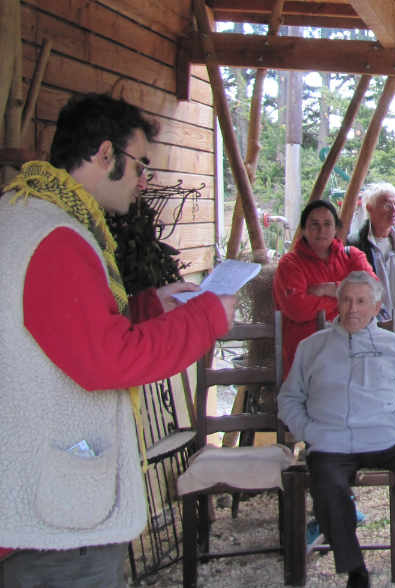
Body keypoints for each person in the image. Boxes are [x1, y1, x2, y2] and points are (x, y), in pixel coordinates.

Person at [0, 93, 236, 585]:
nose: (144, 180)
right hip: (56, 527)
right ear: (105, 154)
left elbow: (62, 332)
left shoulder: (24, 215)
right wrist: (208, 316)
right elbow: (106, 360)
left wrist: (147, 308)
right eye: (139, 164)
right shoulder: (57, 237)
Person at [278, 271, 395, 588]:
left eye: (361, 301)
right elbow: (289, 399)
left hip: (388, 437)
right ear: (337, 303)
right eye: (347, 300)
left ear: (376, 306)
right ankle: (355, 570)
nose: (353, 308)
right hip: (331, 440)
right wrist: (309, 431)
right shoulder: (312, 348)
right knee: (326, 485)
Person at [274, 198, 374, 377]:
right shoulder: (290, 264)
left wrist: (331, 289)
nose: (321, 230)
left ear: (336, 228)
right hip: (306, 360)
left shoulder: (353, 257)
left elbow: (374, 296)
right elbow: (297, 308)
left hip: (354, 356)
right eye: (314, 225)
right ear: (303, 229)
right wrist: (352, 301)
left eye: (327, 224)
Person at [348, 182, 395, 346]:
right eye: (387, 205)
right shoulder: (355, 245)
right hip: (366, 327)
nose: (394, 210)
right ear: (370, 208)